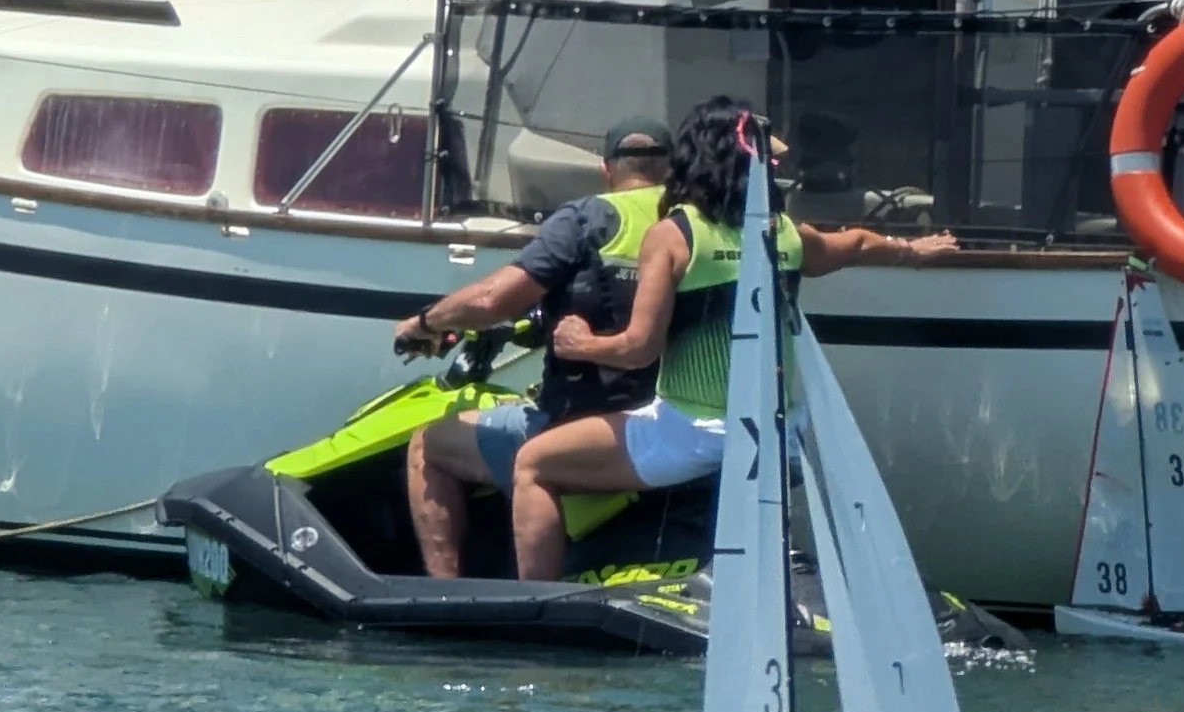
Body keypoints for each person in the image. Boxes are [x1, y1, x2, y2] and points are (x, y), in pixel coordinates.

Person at [503, 95, 957, 581]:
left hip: (695, 433)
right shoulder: (783, 233)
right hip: (778, 434)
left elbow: (638, 350)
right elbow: (858, 243)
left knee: (533, 463)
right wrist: (912, 250)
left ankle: (537, 603)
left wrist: (578, 343)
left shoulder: (674, 236)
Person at [395, 115, 673, 578]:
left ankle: (447, 594)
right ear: (670, 168)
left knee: (429, 443)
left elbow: (490, 301)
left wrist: (425, 322)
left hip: (584, 423)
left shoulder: (589, 218)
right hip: (671, 423)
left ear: (606, 169)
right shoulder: (693, 223)